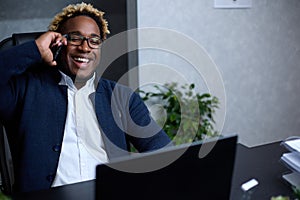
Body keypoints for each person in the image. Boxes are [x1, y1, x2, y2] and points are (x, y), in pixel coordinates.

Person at [0, 2, 171, 193]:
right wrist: (35, 50)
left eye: (94, 40)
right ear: (58, 44)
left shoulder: (120, 97)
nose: (85, 47)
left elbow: (162, 153)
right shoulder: (24, 89)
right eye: (75, 38)